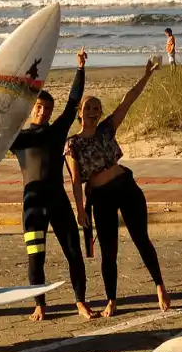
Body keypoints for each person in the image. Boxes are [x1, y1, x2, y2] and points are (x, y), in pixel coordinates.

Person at [65, 57, 169, 318]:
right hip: (101, 198)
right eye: (88, 107)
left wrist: (147, 75)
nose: (92, 111)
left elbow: (128, 100)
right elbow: (76, 181)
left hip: (127, 188)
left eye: (96, 108)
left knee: (141, 239)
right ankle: (111, 299)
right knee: (108, 250)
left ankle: (160, 285)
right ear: (79, 111)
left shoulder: (106, 129)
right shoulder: (72, 144)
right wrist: (79, 210)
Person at [9, 47, 95, 321]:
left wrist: (80, 68)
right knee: (36, 257)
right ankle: (39, 304)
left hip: (57, 200)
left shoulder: (57, 132)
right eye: (38, 107)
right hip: (32, 203)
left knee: (73, 252)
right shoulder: (17, 138)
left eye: (47, 108)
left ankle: (80, 301)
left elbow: (73, 102)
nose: (43, 111)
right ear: (30, 108)